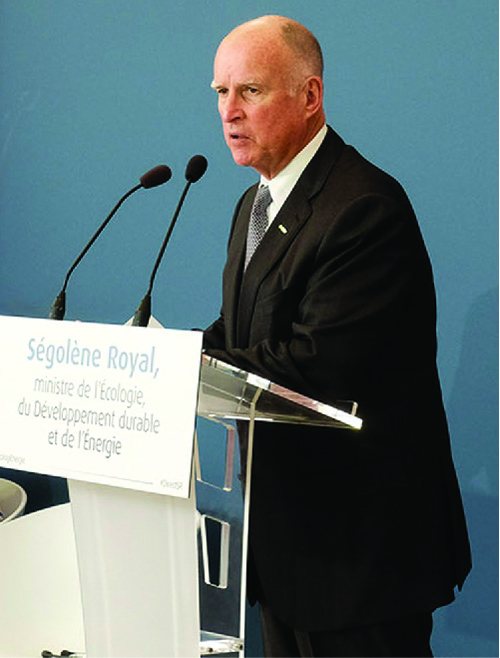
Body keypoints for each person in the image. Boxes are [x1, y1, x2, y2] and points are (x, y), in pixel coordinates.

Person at [203, 15, 471, 658]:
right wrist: (168, 356)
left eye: (251, 91)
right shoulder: (255, 204)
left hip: (361, 554)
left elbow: (319, 366)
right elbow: (244, 334)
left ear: (310, 97)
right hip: (286, 544)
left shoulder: (364, 207)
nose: (229, 112)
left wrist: (191, 365)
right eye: (220, 93)